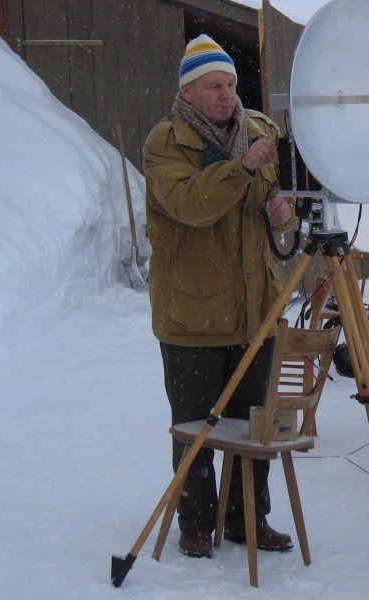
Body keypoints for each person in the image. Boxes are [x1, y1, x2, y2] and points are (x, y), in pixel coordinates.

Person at [143, 34, 297, 559]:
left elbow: (274, 202)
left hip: (255, 311)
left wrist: (282, 214)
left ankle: (247, 517)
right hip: (192, 314)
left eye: (230, 83)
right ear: (188, 92)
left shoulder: (258, 131)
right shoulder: (166, 143)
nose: (227, 94)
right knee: (195, 428)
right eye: (214, 86)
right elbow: (191, 204)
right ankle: (196, 522)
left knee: (254, 428)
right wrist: (243, 168)